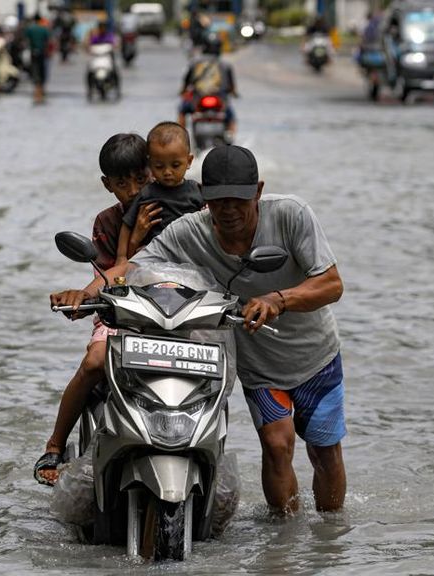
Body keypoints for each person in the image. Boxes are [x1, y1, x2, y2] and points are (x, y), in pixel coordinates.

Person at [51, 145, 348, 514]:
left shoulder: (292, 215)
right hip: (259, 367)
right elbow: (131, 268)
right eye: (219, 201)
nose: (229, 211)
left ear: (258, 191)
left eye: (238, 201)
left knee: (324, 452)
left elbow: (332, 284)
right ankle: (284, 536)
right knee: (276, 444)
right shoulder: (189, 231)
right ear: (205, 197)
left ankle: (329, 537)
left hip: (316, 357)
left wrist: (278, 300)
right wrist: (86, 294)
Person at [34, 133, 151, 486]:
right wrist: (83, 297)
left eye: (140, 179)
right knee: (95, 362)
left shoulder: (178, 209)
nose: (133, 190)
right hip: (121, 312)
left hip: (175, 317)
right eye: (122, 183)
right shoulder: (108, 222)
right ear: (107, 184)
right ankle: (55, 444)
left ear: (154, 172)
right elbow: (112, 276)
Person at [117, 122, 204, 262]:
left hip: (190, 256)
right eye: (159, 166)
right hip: (155, 255)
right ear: (150, 164)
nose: (167, 172)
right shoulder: (147, 193)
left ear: (189, 161)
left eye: (175, 165)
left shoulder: (197, 190)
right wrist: (121, 257)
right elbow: (127, 225)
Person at [177, 33, 239, 140]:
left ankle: (181, 136)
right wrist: (234, 93)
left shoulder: (194, 63)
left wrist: (183, 91)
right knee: (230, 116)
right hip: (219, 99)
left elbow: (187, 81)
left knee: (182, 110)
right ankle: (230, 133)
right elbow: (231, 85)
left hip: (198, 99)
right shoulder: (225, 65)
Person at [23, 14, 51, 103]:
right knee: (42, 71)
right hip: (42, 53)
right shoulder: (43, 29)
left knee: (35, 71)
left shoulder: (30, 29)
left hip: (33, 53)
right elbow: (48, 41)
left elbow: (26, 40)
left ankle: (36, 91)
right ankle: (41, 90)